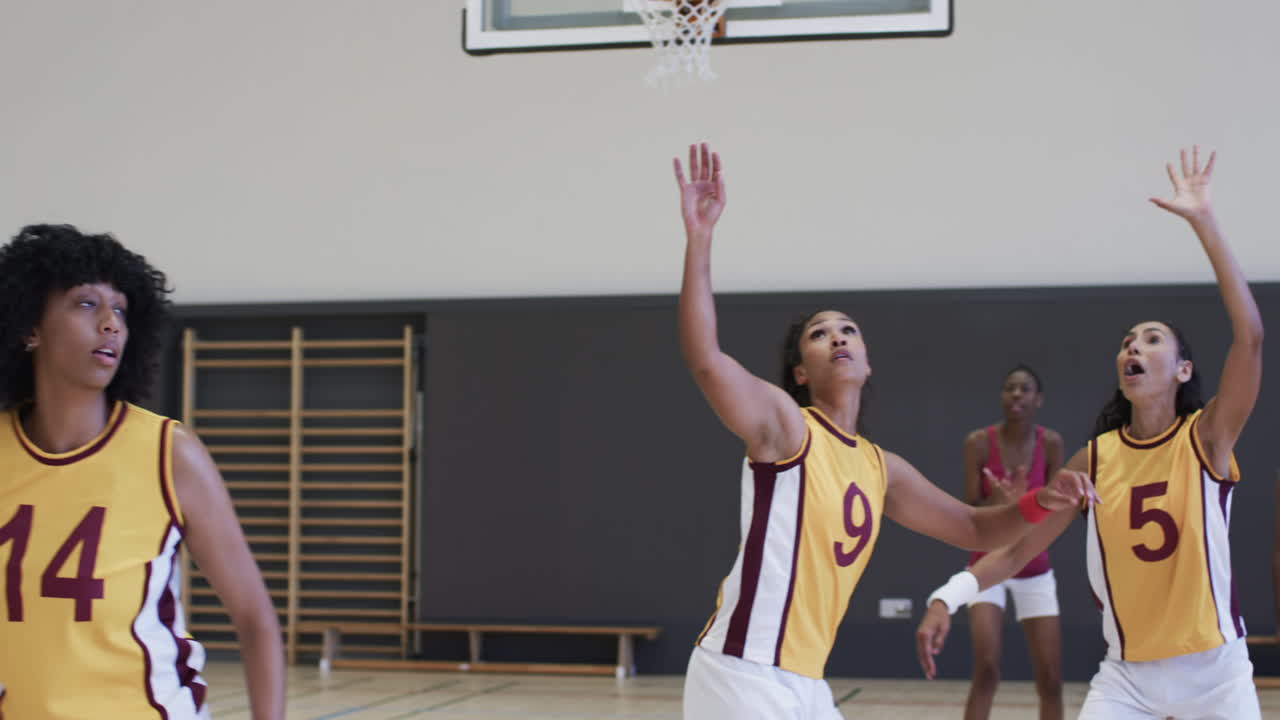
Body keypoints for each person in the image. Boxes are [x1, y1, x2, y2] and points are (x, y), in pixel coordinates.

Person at [673, 143, 1094, 720]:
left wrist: (1041, 500)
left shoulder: (879, 466)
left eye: (849, 330)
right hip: (742, 672)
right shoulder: (785, 427)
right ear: (801, 371)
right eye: (821, 334)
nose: (839, 337)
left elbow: (975, 526)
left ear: (867, 361)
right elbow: (705, 359)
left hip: (804, 682)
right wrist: (700, 239)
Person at [916, 147, 1263, 719]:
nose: (1133, 346)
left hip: (1216, 673)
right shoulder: (1095, 459)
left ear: (1183, 370)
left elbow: (1249, 337)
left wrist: (1205, 224)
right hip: (1127, 677)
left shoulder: (1206, 440)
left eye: (1151, 339)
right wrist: (946, 596)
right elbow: (1021, 548)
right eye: (1128, 340)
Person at [0, 225, 285, 719]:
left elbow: (254, 618)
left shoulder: (169, 453)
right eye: (86, 303)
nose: (111, 323)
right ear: (30, 328)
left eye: (121, 310)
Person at [941, 365, 1065, 719]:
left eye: (1025, 389)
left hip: (1034, 565)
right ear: (1001, 396)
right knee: (987, 668)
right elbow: (970, 508)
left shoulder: (1051, 443)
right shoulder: (978, 443)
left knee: (1051, 676)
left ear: (1038, 399)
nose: (1016, 395)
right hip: (987, 565)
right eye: (1010, 388)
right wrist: (1004, 507)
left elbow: (1058, 511)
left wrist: (1026, 506)